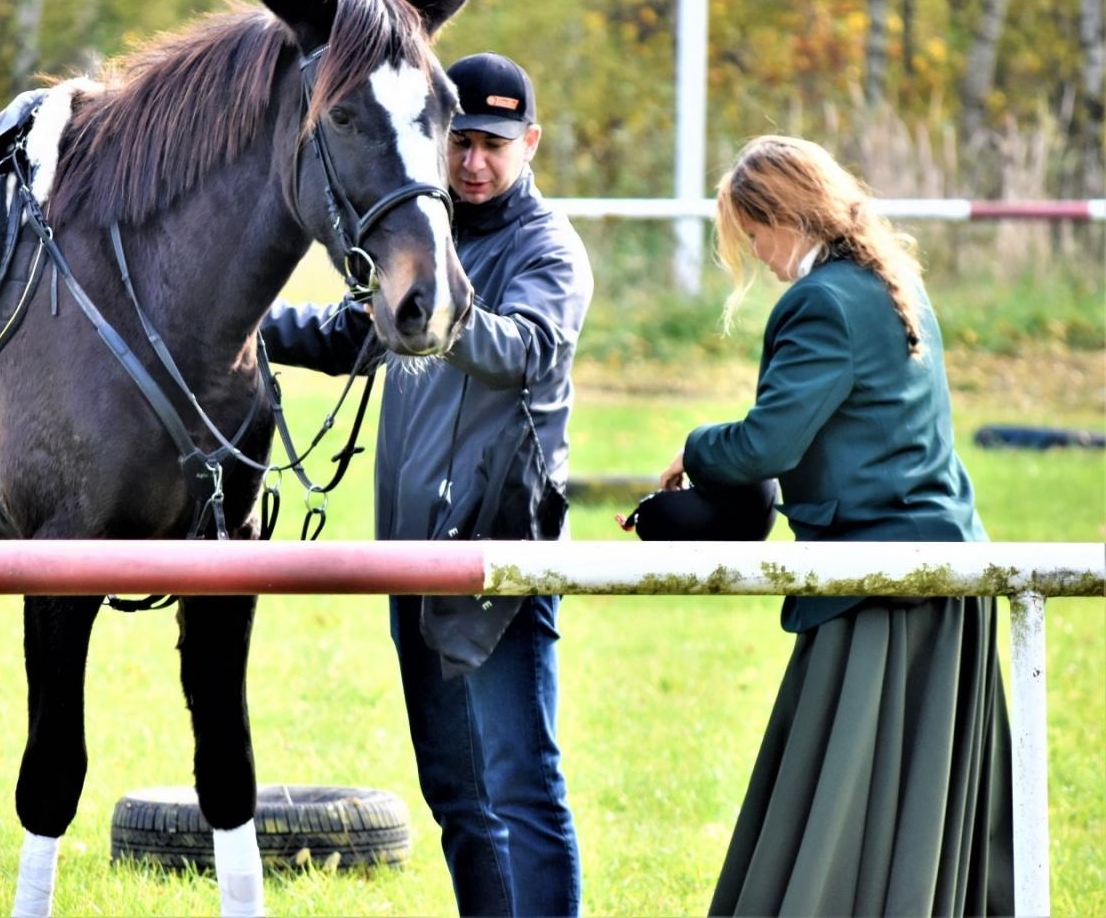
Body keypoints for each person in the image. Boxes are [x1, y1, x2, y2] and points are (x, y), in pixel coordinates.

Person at [262, 52, 592, 916]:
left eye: (493, 143)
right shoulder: (423, 242)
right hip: (407, 557)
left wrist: (437, 300)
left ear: (530, 144)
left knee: (524, 788)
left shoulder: (548, 248)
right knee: (455, 795)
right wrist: (239, 327)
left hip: (499, 559)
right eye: (460, 142)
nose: (473, 161)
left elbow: (525, 349)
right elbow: (339, 336)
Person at [657, 135, 1012, 915]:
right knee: (921, 815)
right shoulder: (895, 285)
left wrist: (692, 448)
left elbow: (766, 444)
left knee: (832, 817)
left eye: (751, 232)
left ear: (781, 215)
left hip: (880, 588)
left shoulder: (820, 301)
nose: (753, 251)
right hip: (943, 577)